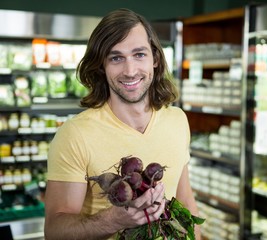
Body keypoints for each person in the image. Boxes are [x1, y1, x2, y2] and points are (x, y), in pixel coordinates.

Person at [44, 8, 201, 240]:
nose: (130, 71)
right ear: (101, 66)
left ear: (155, 59)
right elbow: (55, 231)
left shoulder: (177, 120)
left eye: (139, 55)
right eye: (116, 58)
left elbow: (185, 200)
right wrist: (114, 219)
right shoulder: (75, 134)